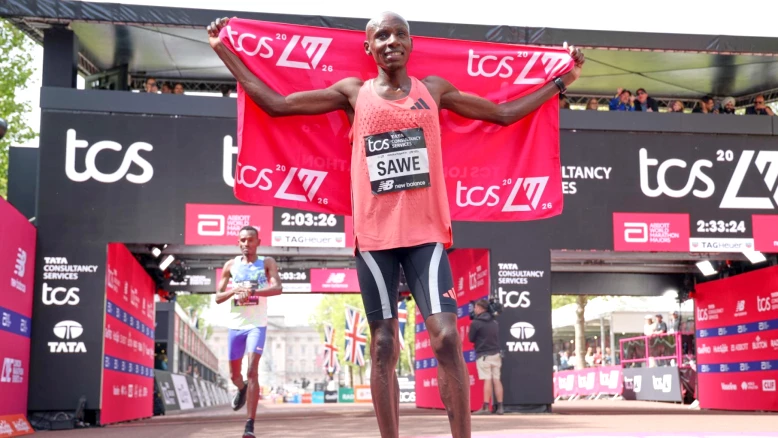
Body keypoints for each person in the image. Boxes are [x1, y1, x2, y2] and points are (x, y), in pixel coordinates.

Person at [207, 13, 584, 438]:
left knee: (446, 339)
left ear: (410, 44)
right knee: (384, 343)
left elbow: (501, 113)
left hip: (426, 235)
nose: (391, 41)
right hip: (374, 239)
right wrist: (226, 51)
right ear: (368, 48)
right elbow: (277, 105)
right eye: (381, 36)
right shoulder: (353, 92)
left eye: (399, 34)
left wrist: (560, 82)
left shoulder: (434, 90)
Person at [215, 225, 282, 438]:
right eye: (242, 240)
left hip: (257, 325)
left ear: (258, 242)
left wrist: (253, 290)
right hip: (235, 325)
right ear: (238, 242)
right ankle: (241, 387)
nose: (246, 244)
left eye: (250, 240)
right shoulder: (230, 265)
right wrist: (235, 290)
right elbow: (217, 296)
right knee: (235, 375)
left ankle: (249, 424)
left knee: (253, 370)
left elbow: (278, 288)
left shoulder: (267, 263)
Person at [468, 299, 503, 415]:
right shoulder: (495, 322)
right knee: (496, 380)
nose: (474, 309)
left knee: (487, 380)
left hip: (483, 355)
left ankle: (486, 407)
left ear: (481, 309)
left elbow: (471, 338)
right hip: (496, 354)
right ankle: (500, 407)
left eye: (476, 307)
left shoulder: (476, 323)